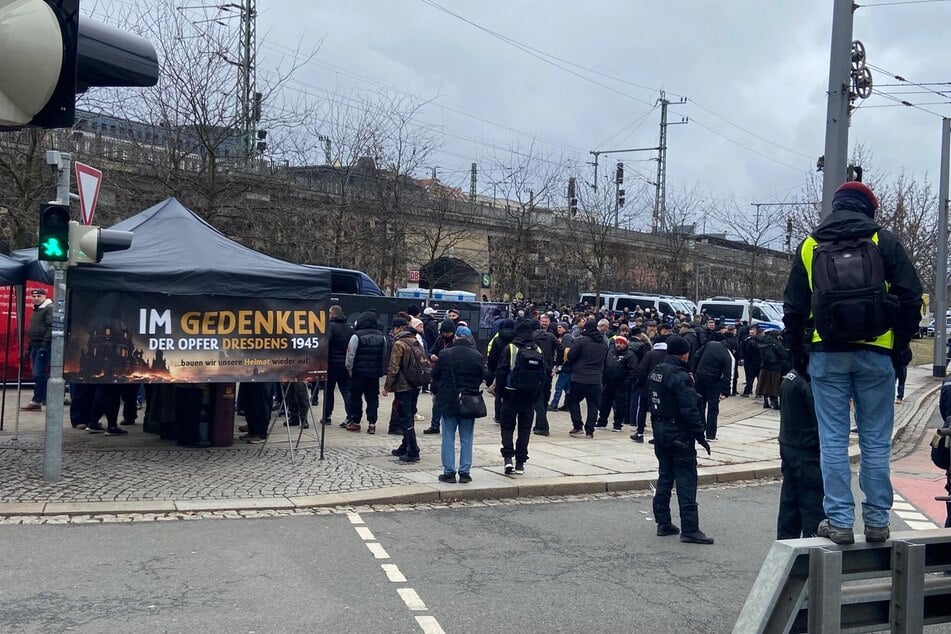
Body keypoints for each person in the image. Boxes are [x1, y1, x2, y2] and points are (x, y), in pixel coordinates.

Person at [783, 180, 923, 545]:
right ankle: (877, 521)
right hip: (876, 354)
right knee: (875, 440)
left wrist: (798, 354)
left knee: (832, 440)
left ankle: (840, 521)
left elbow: (793, 308)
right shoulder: (883, 241)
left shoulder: (810, 245)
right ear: (868, 208)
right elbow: (911, 296)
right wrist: (901, 345)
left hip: (826, 354)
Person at [647, 335, 714, 544]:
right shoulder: (681, 376)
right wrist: (700, 435)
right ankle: (690, 529)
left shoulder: (657, 371)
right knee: (686, 481)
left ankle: (663, 522)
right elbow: (689, 409)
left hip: (660, 430)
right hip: (679, 432)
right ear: (684, 354)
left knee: (665, 476)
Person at [431, 326, 485, 483]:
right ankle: (465, 472)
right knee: (466, 437)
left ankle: (449, 472)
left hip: (449, 400)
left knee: (448, 437)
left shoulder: (445, 354)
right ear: (469, 339)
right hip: (468, 401)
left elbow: (435, 375)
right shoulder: (477, 356)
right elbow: (482, 376)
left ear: (455, 337)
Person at [777, 369, 825, 539]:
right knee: (813, 505)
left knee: (790, 503)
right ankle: (813, 545)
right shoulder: (808, 381)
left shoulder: (790, 377)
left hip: (789, 444)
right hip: (807, 448)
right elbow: (819, 419)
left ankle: (786, 543)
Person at [495, 321, 544, 474]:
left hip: (510, 393)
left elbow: (501, 371)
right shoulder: (537, 349)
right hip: (529, 395)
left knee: (507, 427)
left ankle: (508, 458)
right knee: (525, 429)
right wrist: (537, 394)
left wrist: (499, 393)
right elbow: (543, 375)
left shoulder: (510, 348)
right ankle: (520, 462)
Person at [385, 317, 430, 463]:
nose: (393, 331)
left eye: (393, 328)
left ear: (398, 328)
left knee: (405, 417)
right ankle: (405, 446)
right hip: (415, 383)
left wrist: (387, 387)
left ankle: (413, 450)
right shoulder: (414, 340)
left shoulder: (399, 343)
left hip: (403, 386)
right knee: (409, 414)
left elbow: (393, 367)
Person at [563, 318, 608, 438]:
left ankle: (578, 426)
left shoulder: (581, 341)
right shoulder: (603, 343)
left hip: (579, 377)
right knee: (593, 405)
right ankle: (590, 431)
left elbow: (571, 355)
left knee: (572, 401)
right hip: (596, 379)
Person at [345, 311, 389, 434]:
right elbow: (384, 353)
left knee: (356, 397)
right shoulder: (381, 336)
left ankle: (356, 422)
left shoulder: (356, 335)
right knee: (372, 398)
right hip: (374, 373)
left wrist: (349, 369)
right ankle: (372, 424)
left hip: (358, 373)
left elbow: (350, 354)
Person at [691, 338, 733, 441]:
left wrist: (693, 371)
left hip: (700, 377)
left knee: (700, 405)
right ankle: (711, 434)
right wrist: (725, 392)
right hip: (714, 381)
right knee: (713, 408)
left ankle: (699, 431)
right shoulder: (727, 356)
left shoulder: (710, 343)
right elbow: (727, 375)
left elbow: (697, 356)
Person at [424, 319, 457, 434]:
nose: (446, 334)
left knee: (448, 402)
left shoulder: (455, 342)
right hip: (438, 373)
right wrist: (432, 355)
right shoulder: (439, 339)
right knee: (436, 402)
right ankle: (435, 425)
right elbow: (431, 351)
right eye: (444, 332)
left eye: (448, 332)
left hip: (450, 375)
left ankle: (448, 426)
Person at [21, 287, 53, 411]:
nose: (36, 298)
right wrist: (29, 348)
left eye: (39, 296)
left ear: (45, 296)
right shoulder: (37, 310)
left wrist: (44, 346)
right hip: (35, 345)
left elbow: (51, 327)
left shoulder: (48, 308)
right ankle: (45, 398)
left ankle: (37, 401)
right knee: (39, 374)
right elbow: (34, 331)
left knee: (38, 373)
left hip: (43, 346)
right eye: (34, 296)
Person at [597, 335, 637, 431]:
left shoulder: (630, 355)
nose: (618, 345)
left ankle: (617, 424)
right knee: (604, 403)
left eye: (621, 343)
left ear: (625, 344)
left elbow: (633, 371)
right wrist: (603, 377)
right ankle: (602, 422)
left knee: (620, 405)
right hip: (608, 383)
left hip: (621, 384)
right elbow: (604, 364)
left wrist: (626, 383)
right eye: (617, 343)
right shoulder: (610, 352)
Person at [325, 305, 354, 426]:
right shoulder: (350, 327)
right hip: (345, 364)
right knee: (346, 390)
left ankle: (327, 416)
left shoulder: (330, 327)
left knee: (329, 391)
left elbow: (325, 343)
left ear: (332, 314)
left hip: (331, 364)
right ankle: (350, 415)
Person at [531, 316, 558, 436]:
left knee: (537, 399)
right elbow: (561, 348)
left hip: (535, 370)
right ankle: (539, 424)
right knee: (544, 397)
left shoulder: (532, 337)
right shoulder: (551, 336)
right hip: (548, 370)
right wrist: (557, 364)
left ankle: (542, 426)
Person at [548, 322, 574, 411]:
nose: (558, 329)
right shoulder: (568, 336)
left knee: (559, 386)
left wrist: (560, 364)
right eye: (558, 327)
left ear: (565, 328)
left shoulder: (566, 337)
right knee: (567, 387)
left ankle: (554, 404)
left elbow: (565, 351)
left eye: (560, 327)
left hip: (565, 367)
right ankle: (568, 405)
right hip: (569, 367)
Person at [739, 325, 762, 397]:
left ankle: (753, 392)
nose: (751, 333)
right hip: (752, 362)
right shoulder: (748, 340)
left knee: (753, 378)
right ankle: (752, 392)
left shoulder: (753, 341)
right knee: (751, 378)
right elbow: (743, 349)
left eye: (753, 332)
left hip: (755, 362)